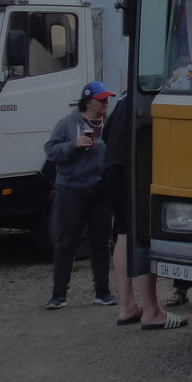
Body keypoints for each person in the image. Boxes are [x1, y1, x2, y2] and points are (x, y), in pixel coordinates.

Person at [102, 94, 187, 330]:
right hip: (135, 170)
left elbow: (105, 133)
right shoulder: (158, 97)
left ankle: (127, 305)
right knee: (144, 233)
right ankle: (151, 311)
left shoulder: (124, 97)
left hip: (112, 168)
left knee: (123, 233)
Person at [42, 81, 116, 310]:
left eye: (107, 99)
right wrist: (72, 145)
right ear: (88, 101)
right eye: (101, 100)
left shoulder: (109, 124)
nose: (106, 103)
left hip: (100, 191)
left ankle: (102, 292)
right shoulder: (67, 123)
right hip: (71, 190)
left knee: (101, 242)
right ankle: (58, 295)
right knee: (66, 242)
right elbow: (50, 150)